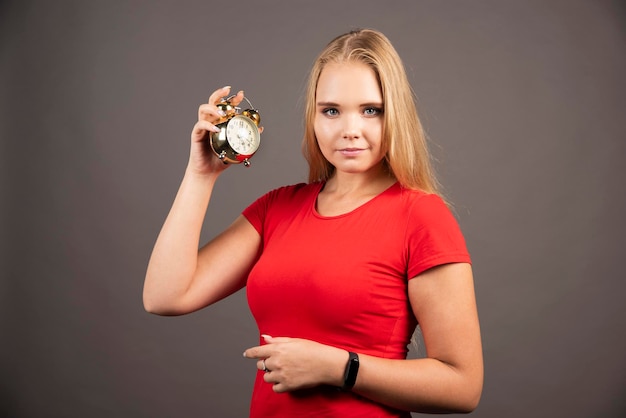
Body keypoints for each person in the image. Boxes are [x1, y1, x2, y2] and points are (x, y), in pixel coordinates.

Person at [143, 28, 483, 417]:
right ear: (314, 117)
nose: (349, 129)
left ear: (396, 115)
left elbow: (463, 387)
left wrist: (340, 368)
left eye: (371, 110)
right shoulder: (279, 208)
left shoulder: (420, 216)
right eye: (331, 110)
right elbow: (164, 296)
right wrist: (200, 175)